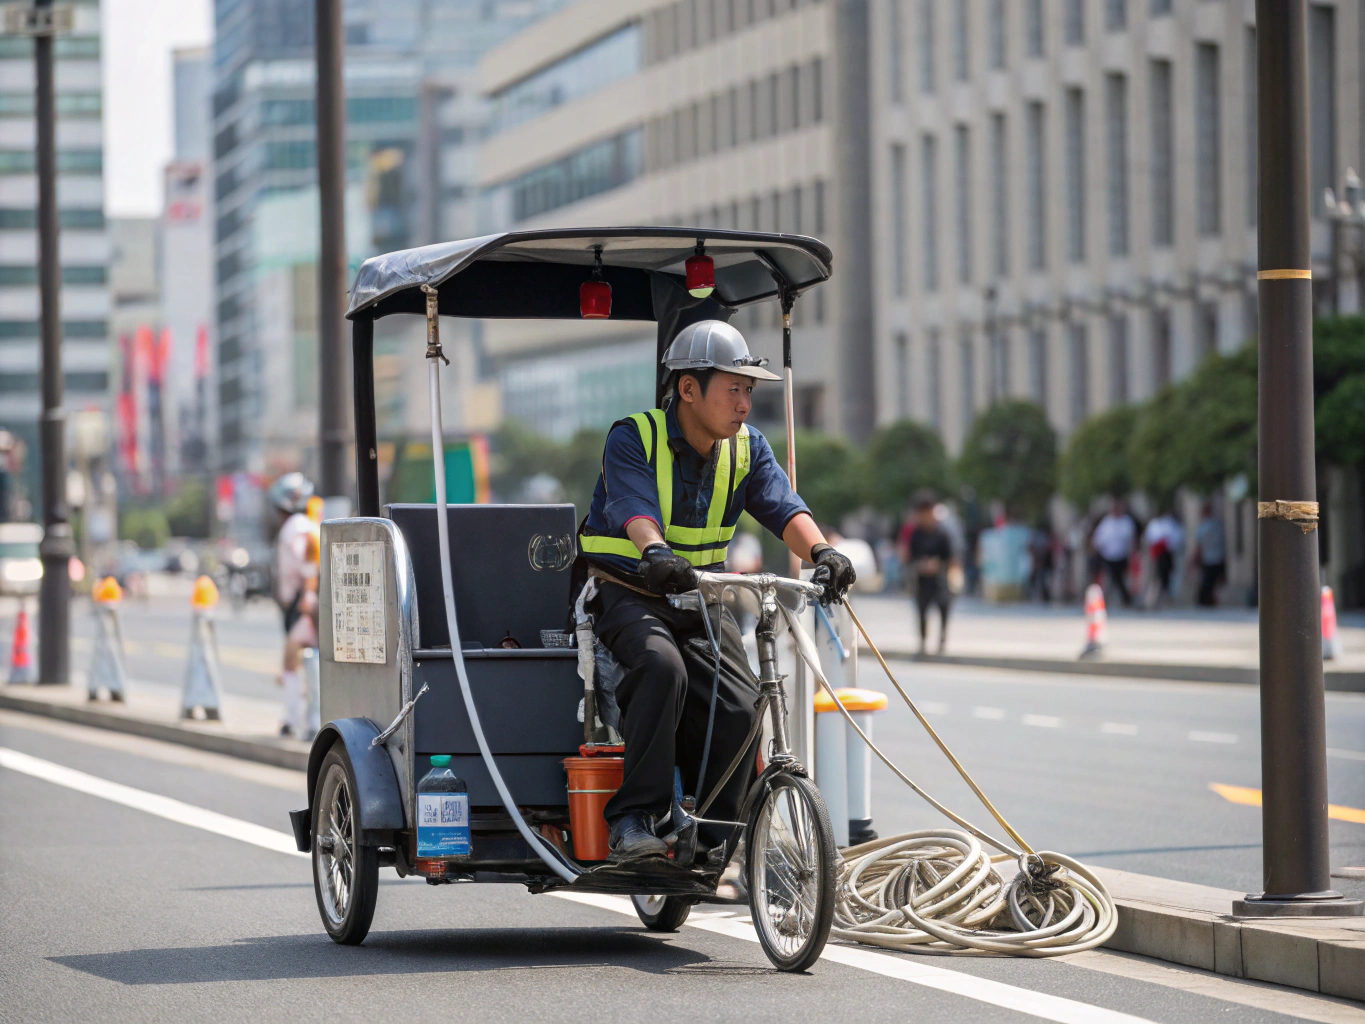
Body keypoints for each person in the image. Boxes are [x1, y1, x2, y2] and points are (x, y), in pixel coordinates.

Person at [577, 320, 856, 861]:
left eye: (749, 390)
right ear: (688, 389)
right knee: (661, 668)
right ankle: (636, 817)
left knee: (744, 703)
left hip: (702, 598)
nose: (745, 403)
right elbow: (634, 508)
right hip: (628, 592)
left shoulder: (748, 449)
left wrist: (825, 552)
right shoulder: (634, 437)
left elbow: (784, 506)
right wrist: (654, 551)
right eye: (734, 388)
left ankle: (710, 836)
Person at [269, 471, 315, 738]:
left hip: (301, 603)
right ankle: (300, 719)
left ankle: (295, 720)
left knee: (293, 659)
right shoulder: (305, 525)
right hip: (300, 602)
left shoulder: (295, 528)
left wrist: (305, 597)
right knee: (302, 661)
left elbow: (306, 567)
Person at [902, 493, 955, 655]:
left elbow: (950, 557)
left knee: (944, 607)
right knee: (922, 611)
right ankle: (923, 642)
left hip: (940, 579)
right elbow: (910, 557)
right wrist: (920, 565)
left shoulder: (942, 533)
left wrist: (937, 564)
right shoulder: (916, 534)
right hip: (922, 580)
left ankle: (942, 641)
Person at [1091, 499, 1136, 608]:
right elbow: (1099, 538)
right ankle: (1107, 600)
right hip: (1108, 556)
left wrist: (1132, 553)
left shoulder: (1126, 522)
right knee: (1111, 578)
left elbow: (1131, 538)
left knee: (1120, 578)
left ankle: (1125, 599)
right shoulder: (1106, 522)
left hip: (1122, 555)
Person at [1143, 508, 1185, 607]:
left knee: (1165, 577)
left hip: (1167, 554)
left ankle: (1161, 599)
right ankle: (1151, 600)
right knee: (1156, 578)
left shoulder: (1171, 525)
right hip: (1157, 555)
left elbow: (1176, 540)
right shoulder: (1156, 524)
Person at [1192, 502, 1226, 607]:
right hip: (1219, 557)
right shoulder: (1218, 525)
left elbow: (1199, 546)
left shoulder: (1203, 527)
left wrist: (1195, 559)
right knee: (1215, 583)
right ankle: (1213, 601)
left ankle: (1207, 601)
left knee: (1207, 583)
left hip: (1208, 559)